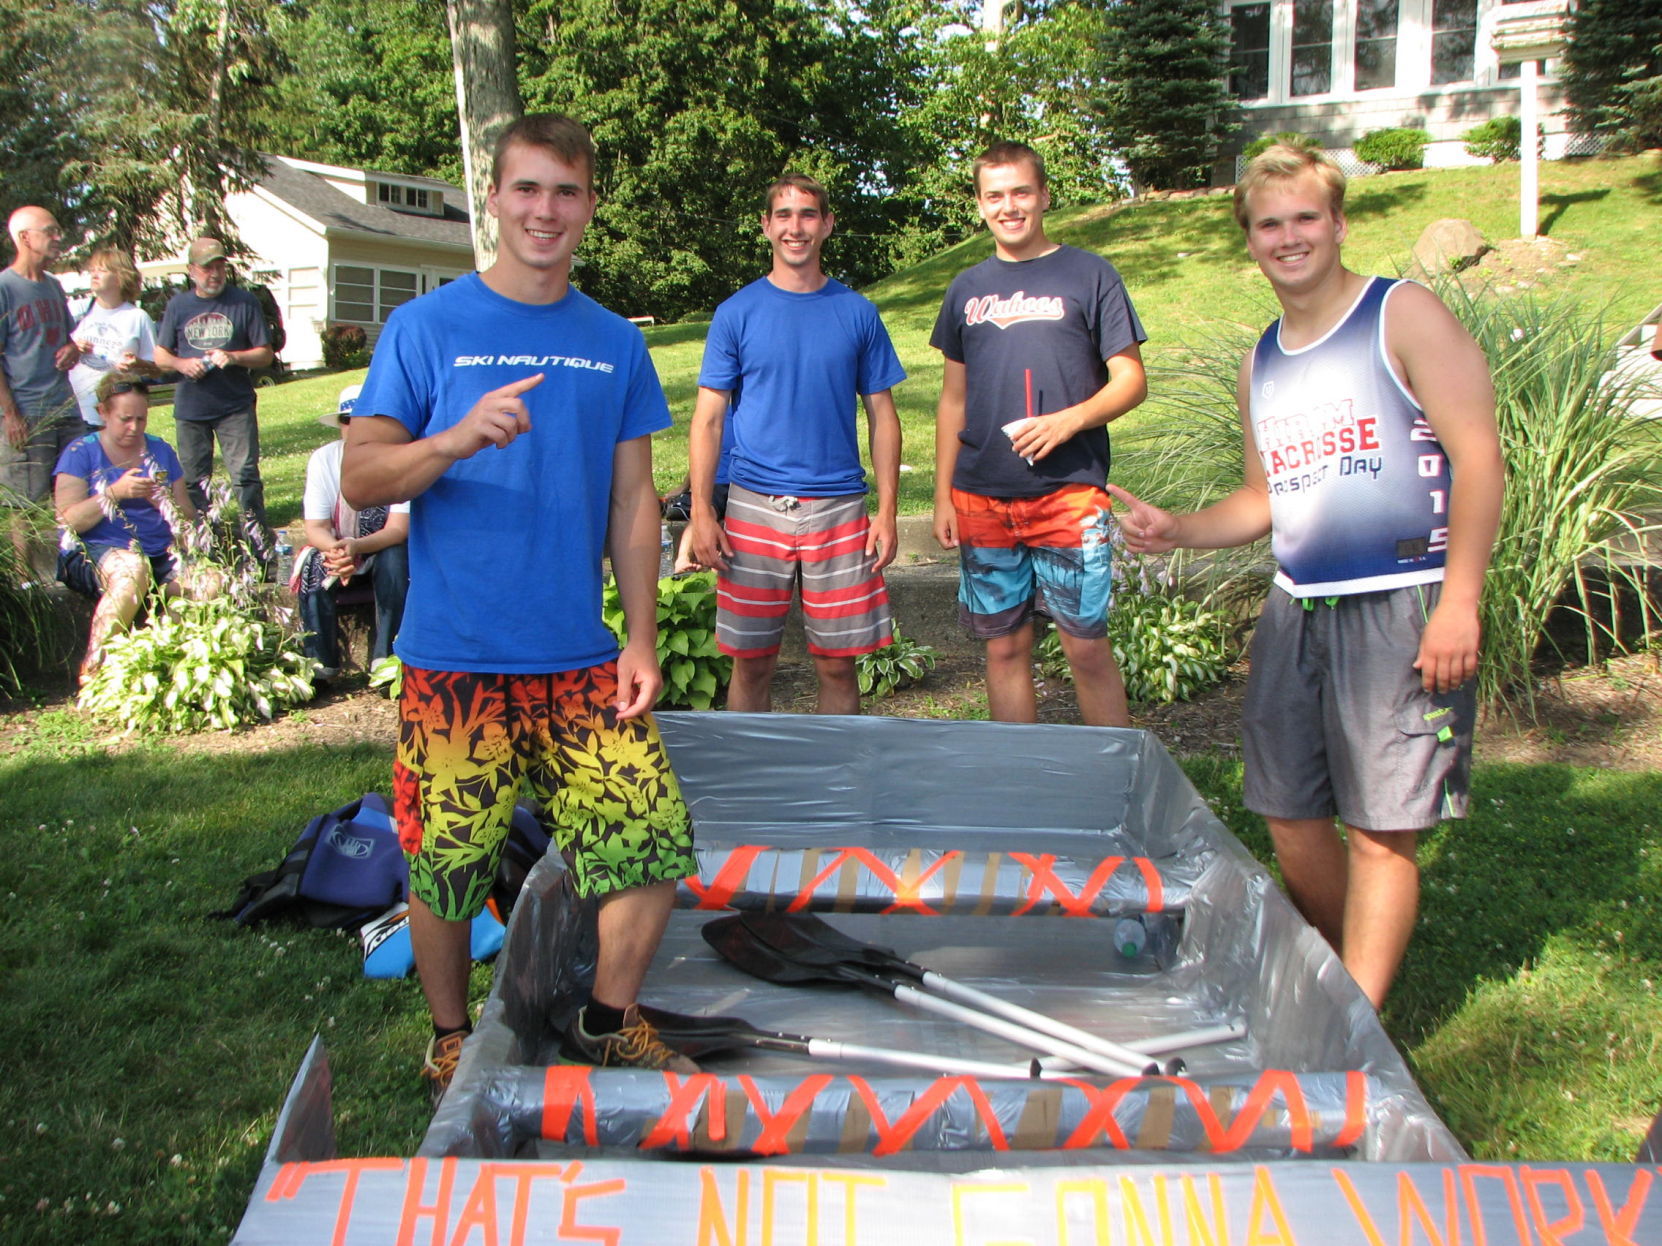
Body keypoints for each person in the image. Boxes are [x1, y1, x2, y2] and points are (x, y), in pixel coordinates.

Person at [340, 113, 699, 1097]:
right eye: (528, 189)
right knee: (446, 864)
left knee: (652, 838)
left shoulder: (614, 343)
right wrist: (450, 441)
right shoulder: (428, 327)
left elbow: (634, 501)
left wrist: (639, 634)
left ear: (590, 206)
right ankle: (451, 1034)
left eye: (567, 192)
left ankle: (607, 1016)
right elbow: (365, 476)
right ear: (494, 197)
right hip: (455, 660)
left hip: (578, 660)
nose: (546, 210)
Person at [1108, 144, 1504, 1009]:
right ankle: (1336, 978)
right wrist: (1179, 528)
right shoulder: (1264, 360)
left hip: (1402, 601)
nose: (1289, 237)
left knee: (1379, 829)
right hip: (1298, 607)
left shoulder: (1401, 315)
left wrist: (1459, 602)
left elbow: (1480, 459)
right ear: (1250, 239)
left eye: (1304, 218)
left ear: (1337, 223)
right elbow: (1263, 499)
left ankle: (1354, 1025)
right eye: (1269, 224)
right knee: (1290, 816)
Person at [930, 141, 1147, 728]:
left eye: (1021, 191)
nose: (1010, 206)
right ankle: (1017, 780)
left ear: (1044, 195)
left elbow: (1131, 380)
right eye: (995, 195)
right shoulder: (965, 289)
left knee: (1085, 645)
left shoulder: (1090, 274)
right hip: (982, 497)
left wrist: (1068, 420)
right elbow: (953, 400)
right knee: (1003, 646)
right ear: (979, 205)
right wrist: (942, 494)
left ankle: (1111, 780)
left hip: (1068, 492)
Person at [687, 173, 905, 714]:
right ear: (766, 226)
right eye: (783, 215)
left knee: (838, 661)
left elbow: (883, 417)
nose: (795, 227)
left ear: (827, 224)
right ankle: (749, 786)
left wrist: (888, 512)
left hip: (839, 508)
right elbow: (708, 419)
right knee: (752, 660)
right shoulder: (736, 313)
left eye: (808, 214)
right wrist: (701, 513)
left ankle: (840, 787)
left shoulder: (856, 312)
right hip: (754, 506)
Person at [53, 373, 214, 684]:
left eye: (141, 419)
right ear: (102, 412)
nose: (135, 428)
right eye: (125, 419)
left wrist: (163, 501)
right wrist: (114, 493)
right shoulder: (80, 452)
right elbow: (68, 521)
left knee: (211, 584)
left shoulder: (160, 450)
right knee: (132, 571)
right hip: (97, 551)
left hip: (161, 552)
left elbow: (187, 519)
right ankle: (95, 669)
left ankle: (155, 654)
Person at [153, 237, 275, 548]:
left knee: (245, 477)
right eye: (208, 268)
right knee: (195, 482)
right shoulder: (178, 306)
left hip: (235, 404)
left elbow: (265, 354)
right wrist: (182, 364)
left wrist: (235, 357)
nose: (215, 274)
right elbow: (160, 356)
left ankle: (258, 544)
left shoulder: (244, 302)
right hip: (192, 407)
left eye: (220, 266)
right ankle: (208, 547)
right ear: (192, 271)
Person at [295, 383, 408, 681]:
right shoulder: (324, 459)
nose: (355, 428)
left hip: (381, 545)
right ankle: (320, 663)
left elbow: (398, 529)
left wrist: (355, 547)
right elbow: (315, 527)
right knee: (312, 563)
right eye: (347, 421)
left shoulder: (400, 458)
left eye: (363, 421)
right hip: (341, 546)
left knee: (396, 558)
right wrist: (336, 551)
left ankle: (387, 661)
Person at [1, 205, 83, 570]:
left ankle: (71, 567)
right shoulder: (5, 287)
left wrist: (73, 349)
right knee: (26, 501)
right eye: (49, 231)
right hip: (27, 411)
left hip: (64, 405)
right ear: (24, 238)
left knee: (75, 489)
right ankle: (25, 577)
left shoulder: (53, 285)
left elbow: (67, 339)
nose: (57, 238)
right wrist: (10, 414)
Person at [69, 248, 159, 427]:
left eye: (102, 270)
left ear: (120, 277)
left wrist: (137, 363)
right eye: (92, 270)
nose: (94, 275)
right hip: (76, 414)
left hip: (116, 418)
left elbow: (156, 370)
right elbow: (57, 352)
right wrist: (73, 348)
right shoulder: (78, 311)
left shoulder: (137, 317)